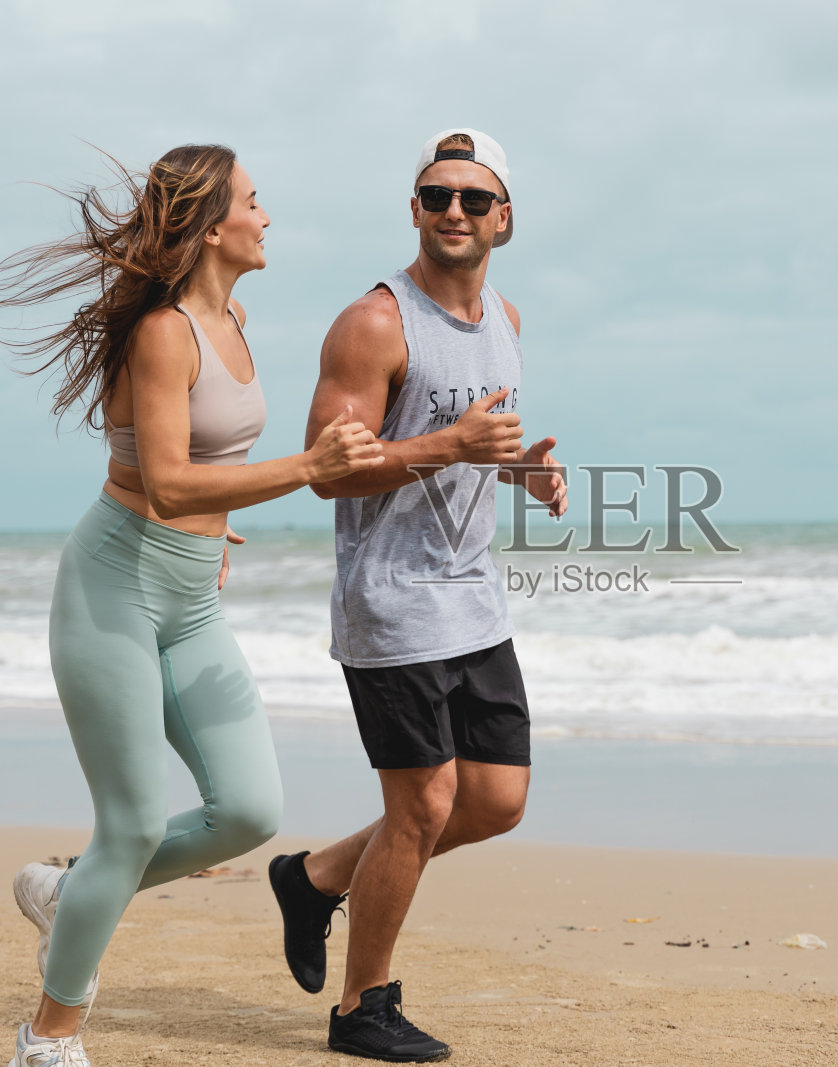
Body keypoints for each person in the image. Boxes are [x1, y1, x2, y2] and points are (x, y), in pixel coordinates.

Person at [0, 144, 384, 1067]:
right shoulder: (162, 332)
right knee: (134, 825)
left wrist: (215, 528)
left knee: (250, 810)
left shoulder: (234, 319)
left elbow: (207, 468)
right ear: (211, 224)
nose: (266, 217)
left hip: (190, 599)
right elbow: (165, 480)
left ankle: (68, 892)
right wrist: (308, 468)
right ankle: (48, 1037)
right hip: (112, 587)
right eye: (254, 202)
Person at [268, 128, 567, 1062]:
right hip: (392, 603)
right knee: (424, 804)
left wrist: (521, 471)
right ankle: (364, 1006)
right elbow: (327, 470)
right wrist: (450, 447)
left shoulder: (504, 318)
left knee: (495, 800)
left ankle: (315, 878)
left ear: (503, 218)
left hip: (474, 598)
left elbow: (474, 444)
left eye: (473, 199)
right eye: (436, 196)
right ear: (414, 210)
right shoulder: (374, 323)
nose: (453, 211)